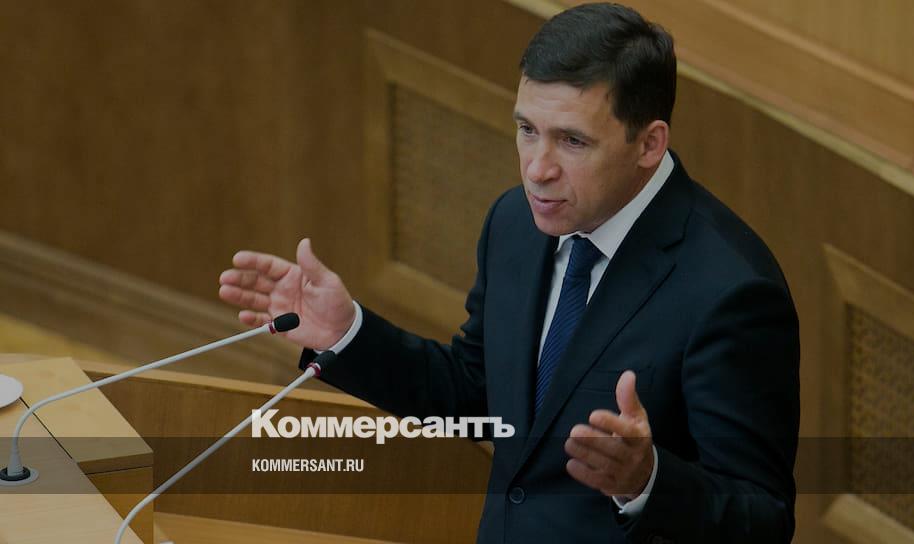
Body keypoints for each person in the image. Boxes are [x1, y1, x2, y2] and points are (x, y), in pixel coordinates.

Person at [218, 3, 799, 542]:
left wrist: (647, 482)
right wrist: (348, 334)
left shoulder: (730, 290)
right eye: (527, 130)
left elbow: (764, 517)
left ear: (649, 143)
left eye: (572, 141)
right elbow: (481, 400)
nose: (537, 169)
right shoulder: (515, 224)